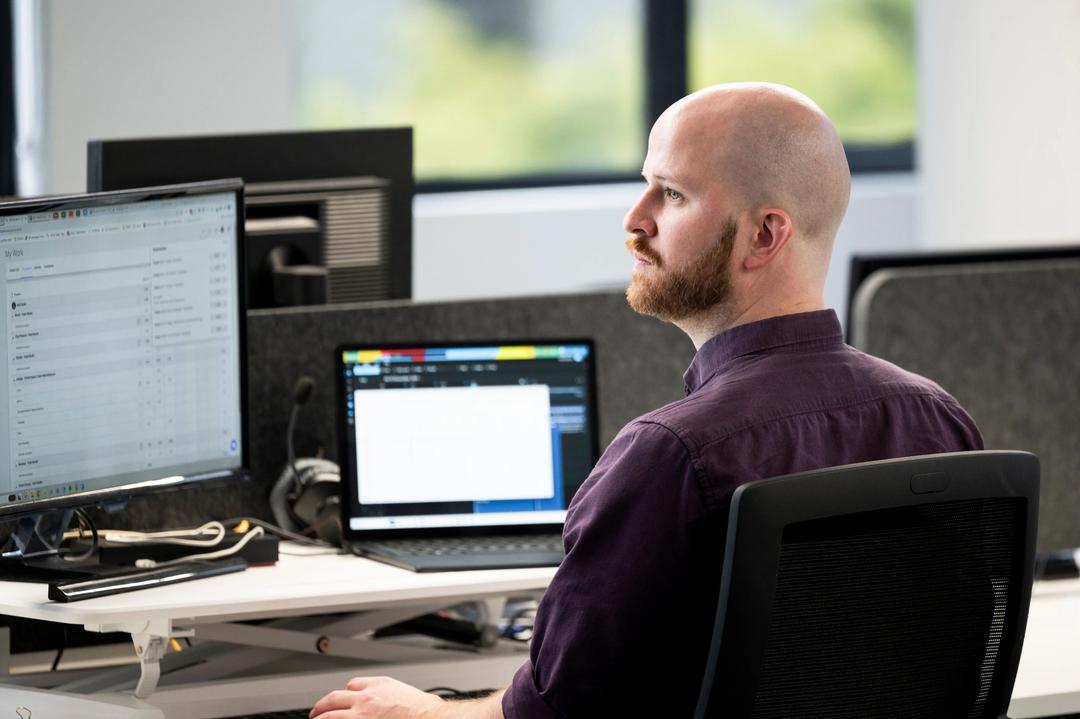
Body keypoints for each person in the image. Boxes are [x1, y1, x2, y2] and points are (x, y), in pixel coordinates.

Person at [309, 82, 983, 719]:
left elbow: (552, 715)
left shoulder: (672, 455)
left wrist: (427, 709)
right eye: (644, 188)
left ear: (764, 235)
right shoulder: (938, 418)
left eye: (672, 195)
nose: (634, 221)